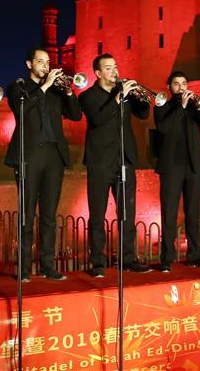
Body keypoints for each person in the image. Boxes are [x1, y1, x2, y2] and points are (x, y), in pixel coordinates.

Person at [4, 47, 82, 281]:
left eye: (47, 62)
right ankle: (25, 269)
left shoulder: (57, 91)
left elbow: (76, 115)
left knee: (49, 215)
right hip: (29, 155)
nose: (45, 65)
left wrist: (68, 92)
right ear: (29, 65)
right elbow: (22, 109)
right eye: (40, 61)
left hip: (53, 155)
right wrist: (45, 86)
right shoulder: (19, 87)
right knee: (27, 214)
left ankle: (48, 266)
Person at [78, 53, 152, 277]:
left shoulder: (125, 94)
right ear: (98, 73)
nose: (114, 71)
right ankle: (97, 262)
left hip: (124, 160)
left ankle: (128, 258)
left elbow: (144, 113)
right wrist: (119, 98)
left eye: (116, 67)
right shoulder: (88, 96)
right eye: (108, 68)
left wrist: (139, 96)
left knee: (127, 213)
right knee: (98, 214)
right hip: (100, 161)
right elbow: (98, 119)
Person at [153, 71, 200, 272]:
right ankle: (167, 258)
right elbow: (163, 128)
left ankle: (195, 255)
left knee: (193, 213)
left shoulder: (194, 107)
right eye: (176, 84)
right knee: (169, 213)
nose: (181, 87)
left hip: (194, 165)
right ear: (169, 87)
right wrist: (180, 107)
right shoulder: (163, 104)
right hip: (172, 166)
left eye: (183, 83)